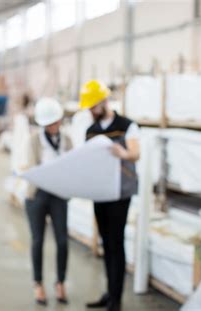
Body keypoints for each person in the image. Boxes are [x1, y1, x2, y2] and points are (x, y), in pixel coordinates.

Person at [80, 80, 140, 311]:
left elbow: (136, 154)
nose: (91, 111)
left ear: (104, 102)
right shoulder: (91, 130)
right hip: (100, 191)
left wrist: (121, 152)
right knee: (106, 241)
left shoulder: (127, 126)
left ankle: (116, 299)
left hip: (119, 193)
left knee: (116, 242)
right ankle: (109, 292)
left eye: (94, 106)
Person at [25, 98, 72, 306]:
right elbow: (31, 167)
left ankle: (60, 282)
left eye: (56, 122)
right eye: (49, 123)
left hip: (58, 195)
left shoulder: (67, 140)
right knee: (38, 241)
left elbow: (72, 164)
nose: (53, 126)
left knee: (62, 240)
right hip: (38, 195)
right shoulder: (35, 140)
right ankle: (38, 284)